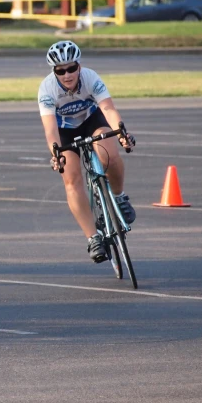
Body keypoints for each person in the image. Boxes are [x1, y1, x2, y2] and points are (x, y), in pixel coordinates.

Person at [38, 40, 136, 264]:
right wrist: (56, 154)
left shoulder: (91, 78)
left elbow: (108, 109)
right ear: (54, 72)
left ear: (79, 66)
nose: (67, 75)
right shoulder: (47, 89)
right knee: (71, 178)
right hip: (64, 130)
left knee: (108, 154)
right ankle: (93, 237)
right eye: (60, 71)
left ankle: (119, 197)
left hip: (92, 120)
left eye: (71, 68)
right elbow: (50, 128)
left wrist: (121, 134)